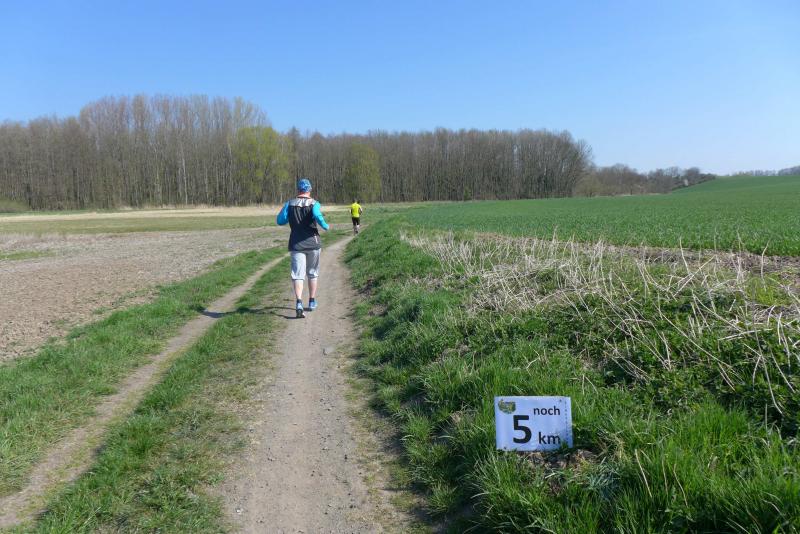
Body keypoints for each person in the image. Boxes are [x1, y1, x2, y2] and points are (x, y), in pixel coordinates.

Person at [276, 178, 330, 318]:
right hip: (313, 243)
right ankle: (311, 301)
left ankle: (299, 303)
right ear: (309, 190)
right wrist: (325, 226)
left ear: (298, 190)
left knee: (298, 275)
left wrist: (289, 215)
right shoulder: (314, 203)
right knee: (312, 273)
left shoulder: (290, 203)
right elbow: (317, 215)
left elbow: (280, 221)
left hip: (296, 244)